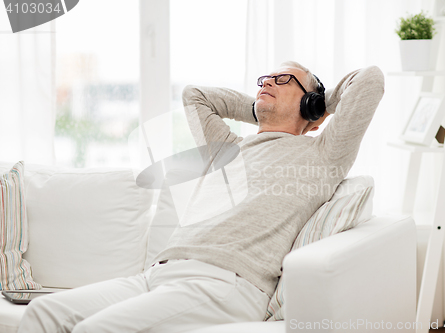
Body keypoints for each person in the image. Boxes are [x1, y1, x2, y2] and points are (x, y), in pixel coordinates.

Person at [17, 61, 384, 333]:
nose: (269, 81)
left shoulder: (322, 155)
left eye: (284, 78)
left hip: (225, 283)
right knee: (41, 315)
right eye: (265, 79)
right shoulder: (228, 148)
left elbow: (370, 79)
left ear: (314, 109)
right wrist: (260, 108)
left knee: (91, 331)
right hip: (156, 275)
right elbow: (196, 96)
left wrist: (320, 103)